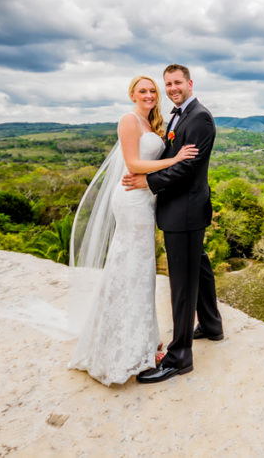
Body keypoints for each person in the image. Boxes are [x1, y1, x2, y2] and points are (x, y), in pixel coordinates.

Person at [67, 75, 198, 386]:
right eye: (144, 91)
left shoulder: (150, 122)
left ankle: (142, 341)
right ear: (132, 95)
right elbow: (133, 164)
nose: (150, 95)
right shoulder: (129, 120)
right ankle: (122, 348)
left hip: (145, 200)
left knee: (141, 271)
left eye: (153, 90)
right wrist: (176, 159)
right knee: (132, 269)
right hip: (131, 200)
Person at [124, 63, 223, 383]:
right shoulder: (179, 115)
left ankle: (180, 357)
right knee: (200, 265)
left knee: (182, 284)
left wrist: (147, 183)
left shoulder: (199, 118)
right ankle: (211, 324)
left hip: (185, 210)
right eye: (167, 83)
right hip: (183, 209)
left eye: (177, 82)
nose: (171, 88)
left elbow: (187, 169)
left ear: (190, 83)